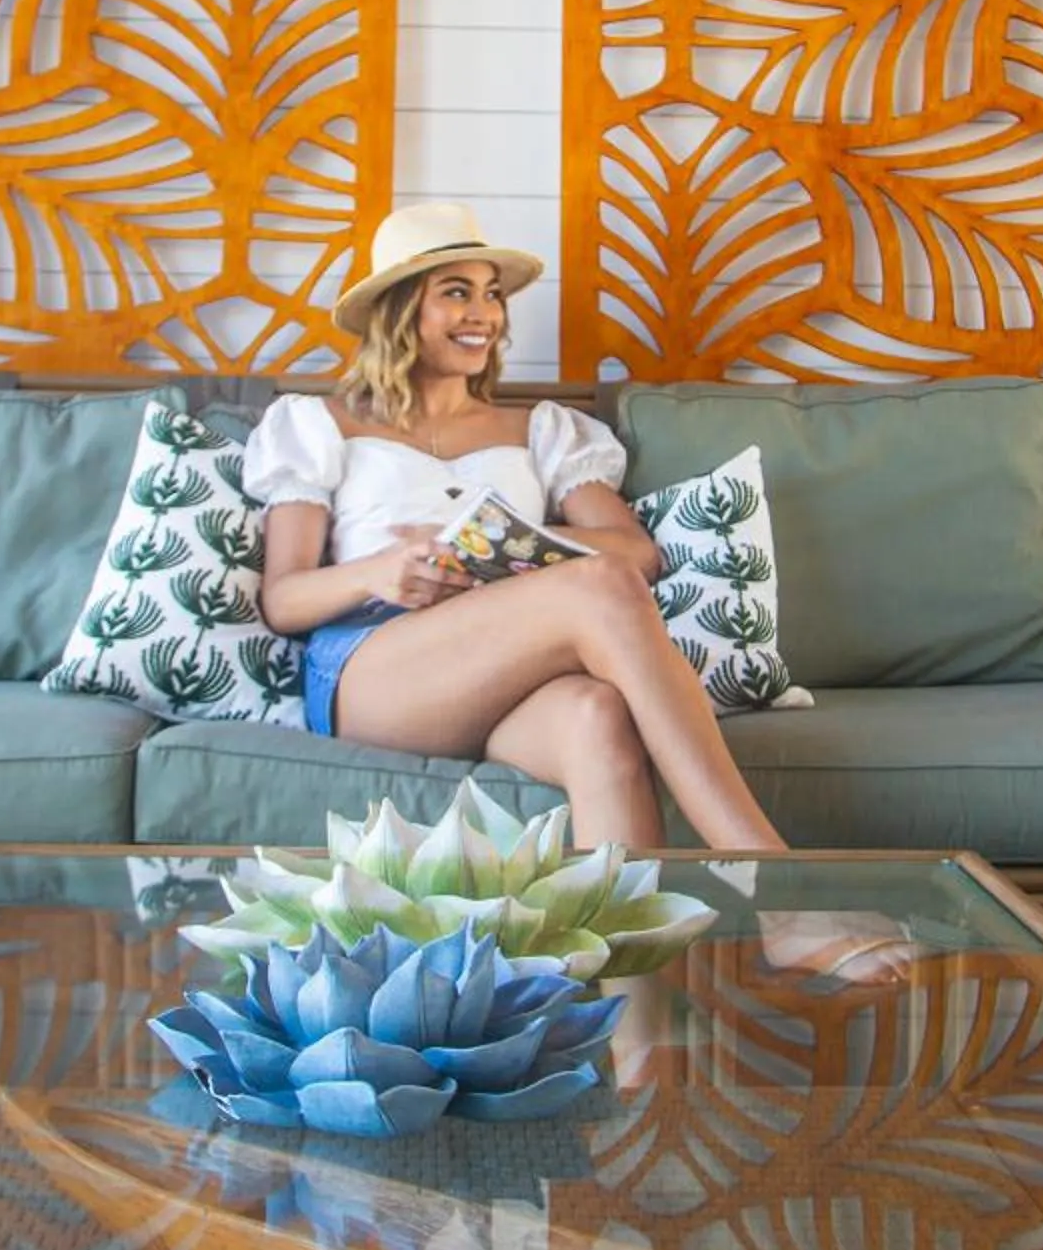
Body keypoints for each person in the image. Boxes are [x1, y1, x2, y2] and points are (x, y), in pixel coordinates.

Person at [246, 202, 794, 858]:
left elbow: (634, 552)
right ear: (398, 310)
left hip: (509, 677)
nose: (484, 313)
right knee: (596, 587)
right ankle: (774, 881)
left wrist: (511, 549)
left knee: (598, 716)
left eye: (492, 295)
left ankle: (628, 954)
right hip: (377, 669)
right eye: (456, 293)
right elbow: (283, 599)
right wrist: (379, 570)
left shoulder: (541, 431)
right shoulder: (320, 424)